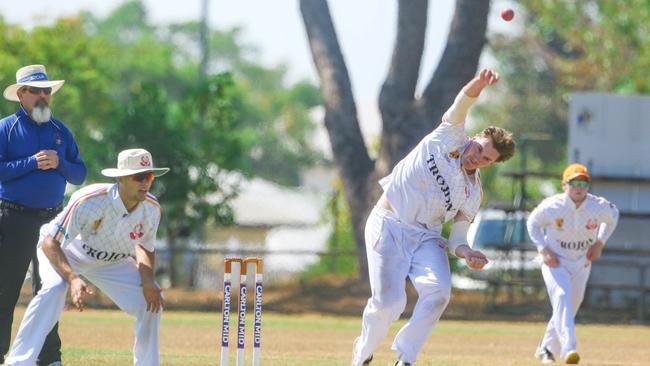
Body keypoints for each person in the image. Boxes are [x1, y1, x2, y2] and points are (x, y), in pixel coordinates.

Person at [351, 69, 516, 366]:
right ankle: (363, 353)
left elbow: (457, 239)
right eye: (478, 148)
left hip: (427, 237)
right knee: (389, 303)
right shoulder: (449, 134)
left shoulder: (473, 192)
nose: (476, 156)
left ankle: (406, 357)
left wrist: (468, 253)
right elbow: (463, 101)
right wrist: (480, 82)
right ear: (475, 137)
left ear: (492, 164)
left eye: (486, 158)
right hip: (389, 223)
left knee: (439, 293)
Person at [5, 148, 168, 366]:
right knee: (54, 289)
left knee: (152, 302)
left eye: (149, 176)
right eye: (139, 176)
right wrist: (72, 278)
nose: (145, 183)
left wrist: (148, 281)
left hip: (112, 261)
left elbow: (145, 247)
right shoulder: (89, 200)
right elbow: (50, 242)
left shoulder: (152, 208)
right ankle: (18, 362)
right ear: (121, 178)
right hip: (66, 252)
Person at [0, 64, 86, 366]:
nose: (42, 96)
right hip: (13, 219)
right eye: (35, 90)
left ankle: (48, 358)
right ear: (21, 94)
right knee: (5, 289)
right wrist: (32, 163)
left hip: (52, 223)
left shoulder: (61, 131)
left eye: (46, 90)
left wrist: (59, 162)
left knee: (49, 290)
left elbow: (80, 173)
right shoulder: (5, 128)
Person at [528, 163, 619, 364]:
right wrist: (543, 248)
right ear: (564, 185)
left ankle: (546, 349)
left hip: (582, 261)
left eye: (583, 183)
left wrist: (600, 242)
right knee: (562, 296)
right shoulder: (552, 205)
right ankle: (569, 349)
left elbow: (613, 217)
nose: (579, 187)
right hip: (555, 261)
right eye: (574, 182)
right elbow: (532, 223)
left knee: (570, 306)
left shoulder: (598, 206)